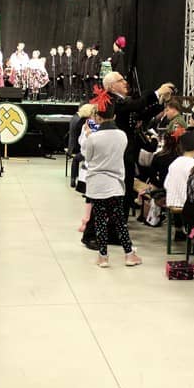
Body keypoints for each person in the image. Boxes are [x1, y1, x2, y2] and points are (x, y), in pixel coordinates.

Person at [82, 91, 142, 268]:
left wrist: (87, 137)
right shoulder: (122, 135)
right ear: (114, 116)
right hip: (115, 183)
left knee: (100, 220)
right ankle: (129, 255)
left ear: (97, 117)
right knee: (120, 222)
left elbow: (88, 159)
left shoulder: (93, 138)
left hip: (97, 184)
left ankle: (103, 257)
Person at [102, 71, 173, 217]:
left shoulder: (122, 100)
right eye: (120, 80)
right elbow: (138, 105)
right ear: (112, 86)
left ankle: (122, 218)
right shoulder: (113, 100)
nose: (125, 82)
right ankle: (120, 220)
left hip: (128, 151)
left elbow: (141, 113)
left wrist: (160, 101)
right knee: (124, 185)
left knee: (127, 184)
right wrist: (157, 92)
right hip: (121, 152)